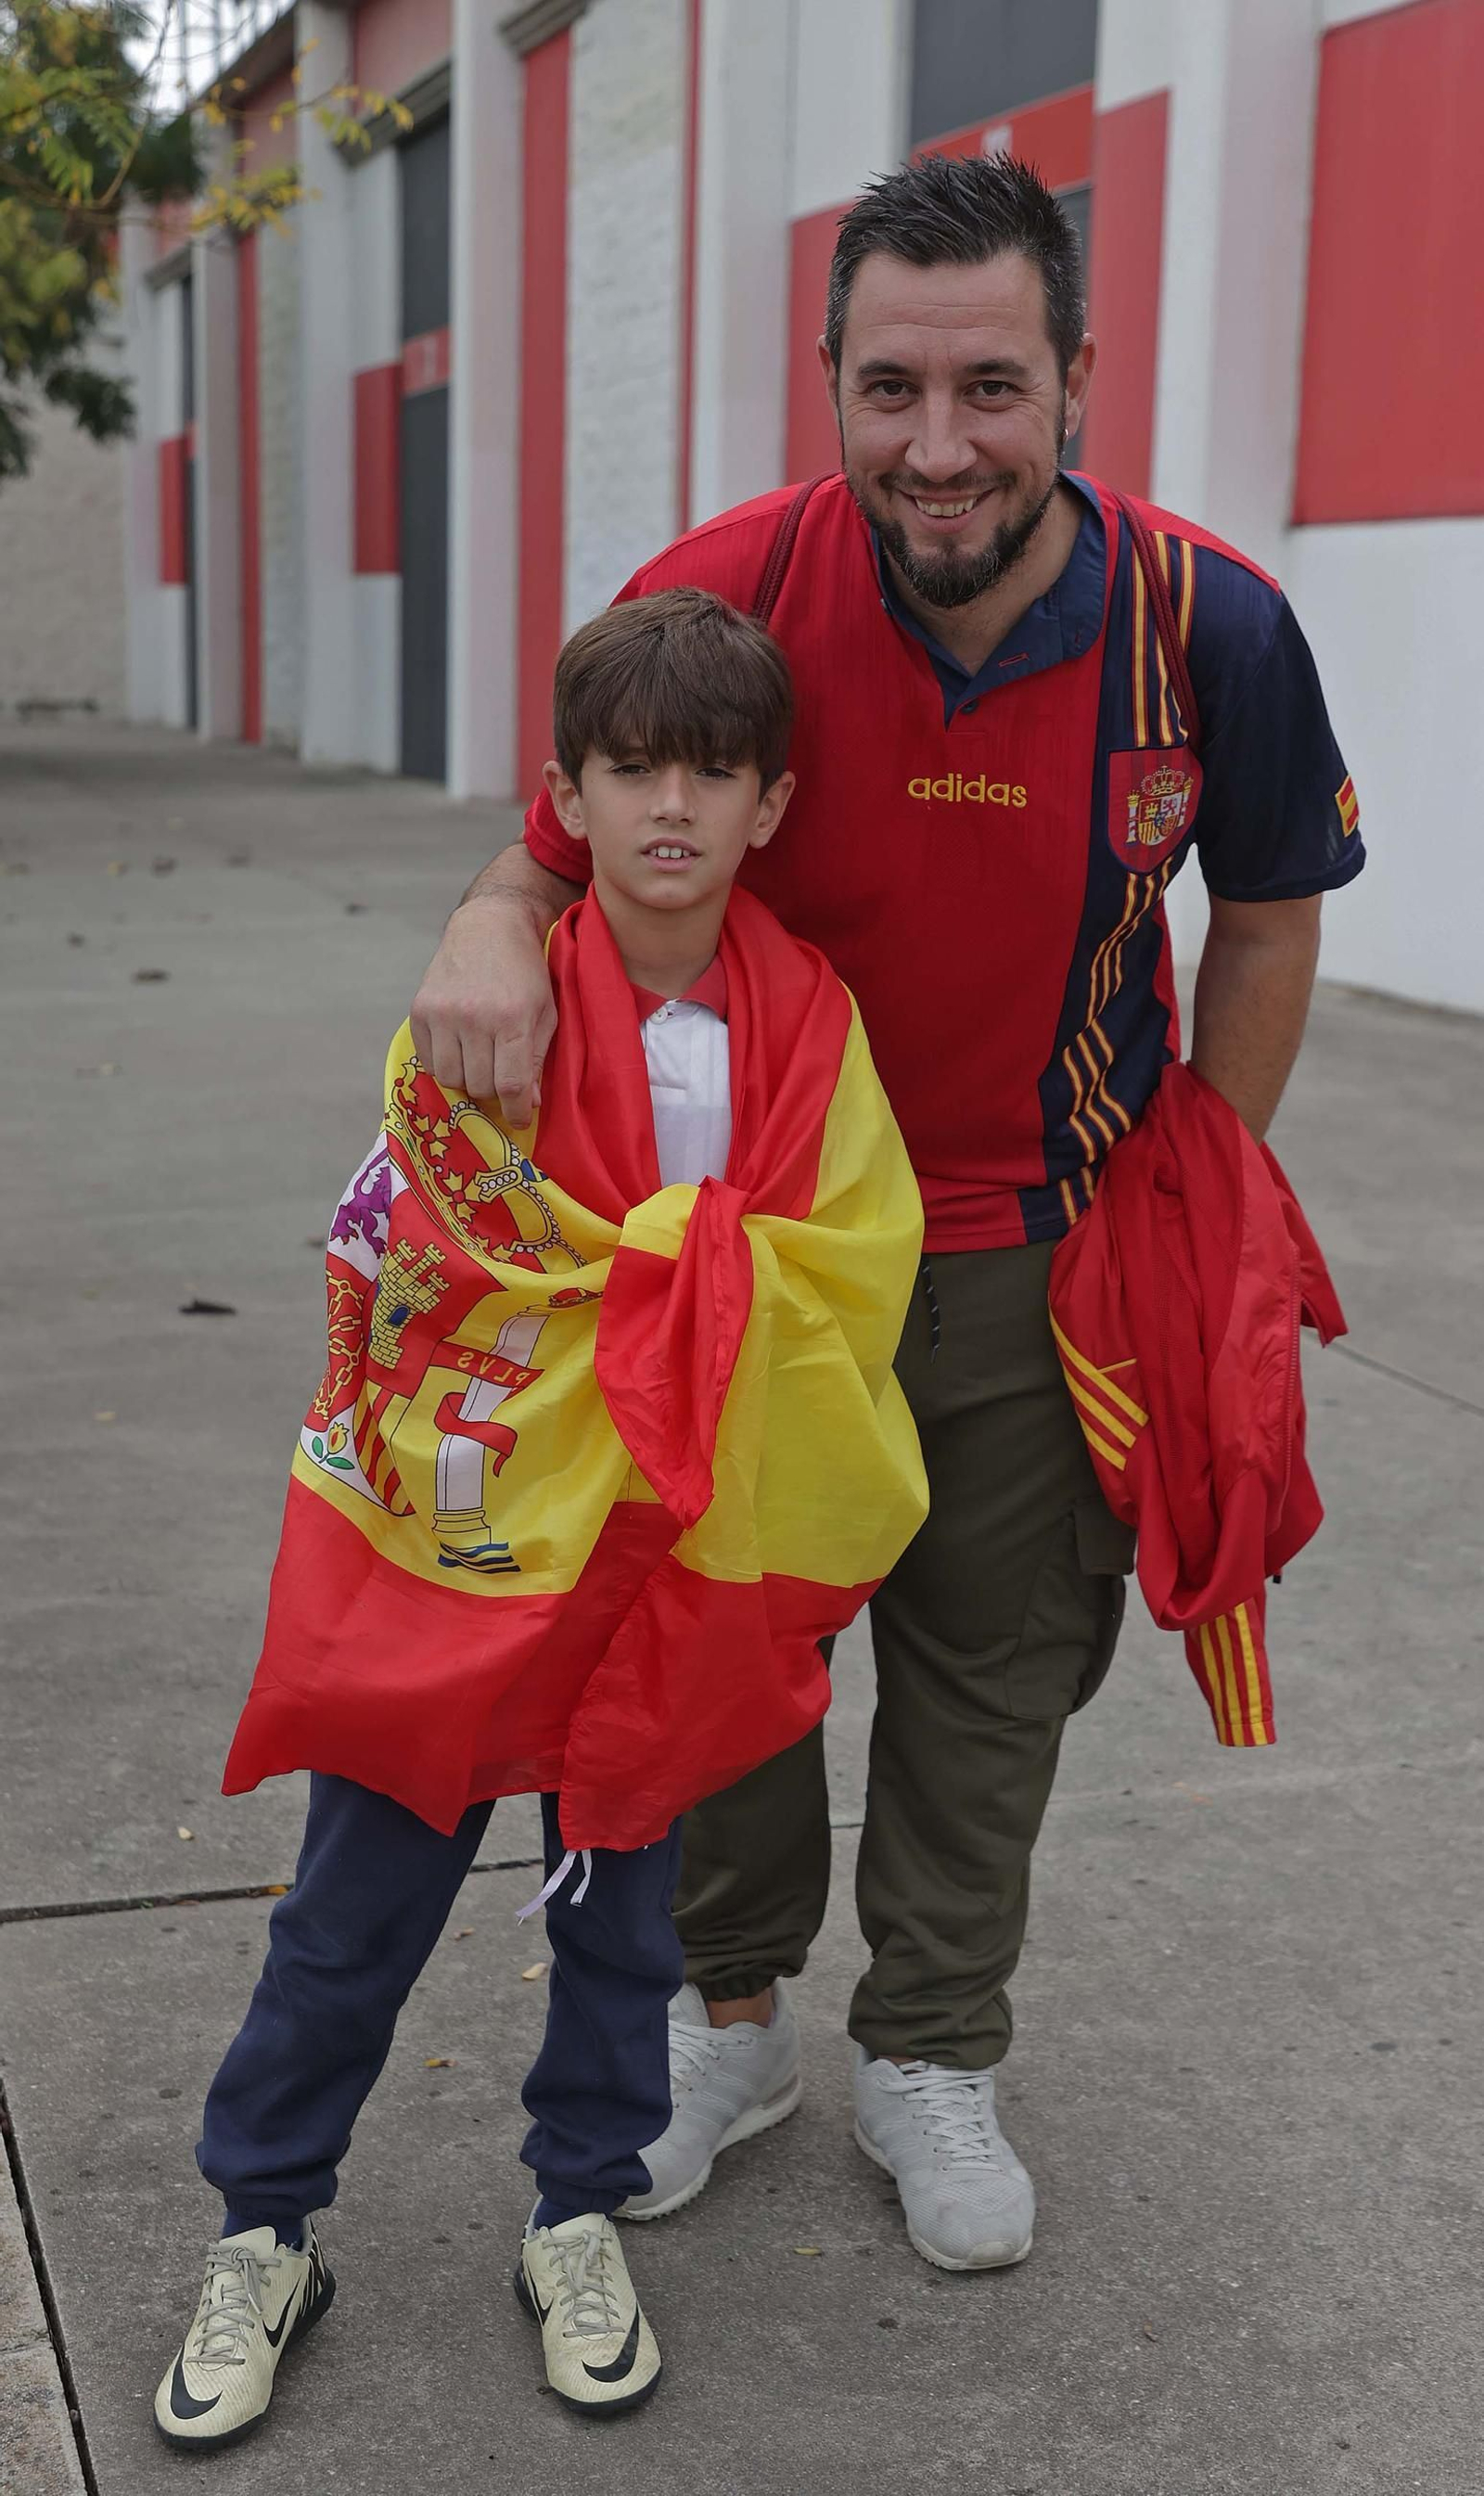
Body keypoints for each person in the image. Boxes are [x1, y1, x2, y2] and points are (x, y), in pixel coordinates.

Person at [410, 153, 1366, 2276]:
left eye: (991, 386)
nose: (940, 444)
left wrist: (1196, 1169)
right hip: (746, 1257)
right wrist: (486, 926)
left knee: (986, 1679)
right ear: (827, 382)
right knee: (726, 1655)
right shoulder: (729, 591)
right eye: (892, 386)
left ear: (1077, 382)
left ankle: (931, 2044)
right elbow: (555, 847)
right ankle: (729, 2018)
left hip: (1038, 1253)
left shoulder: (1207, 620)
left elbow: (1270, 909)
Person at [152, 589, 927, 2447]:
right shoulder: (487, 1001)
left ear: (768, 800)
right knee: (355, 1906)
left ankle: (575, 2206)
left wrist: (682, 1275)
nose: (671, 805)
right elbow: (424, 1242)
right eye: (629, 767)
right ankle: (264, 2225)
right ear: (562, 797)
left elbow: (852, 1253)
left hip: (660, 1553)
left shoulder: (807, 1017)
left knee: (619, 1916)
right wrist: (659, 1272)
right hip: (477, 1532)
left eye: (711, 771)